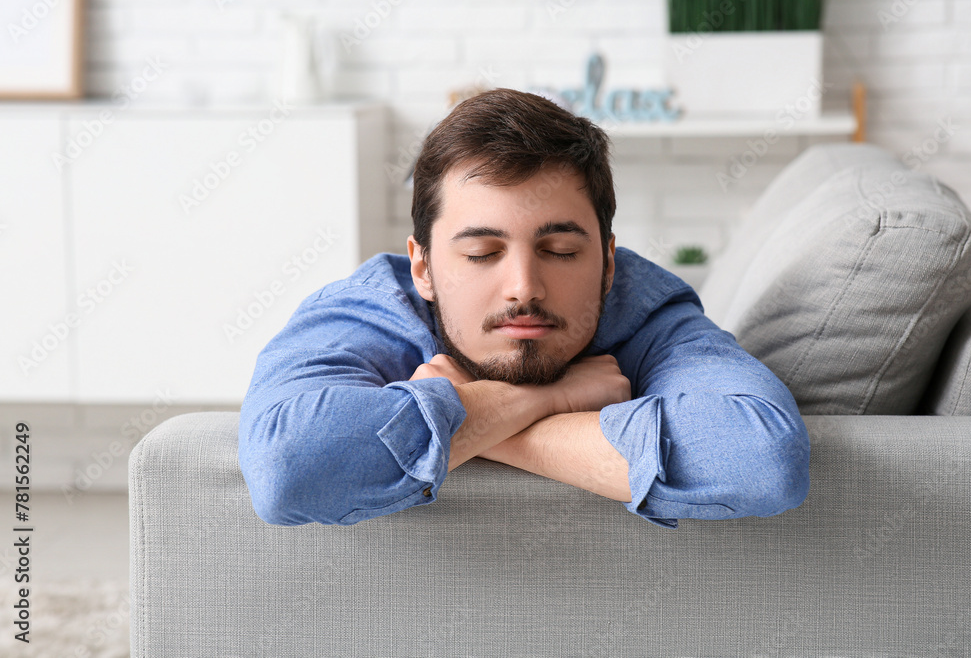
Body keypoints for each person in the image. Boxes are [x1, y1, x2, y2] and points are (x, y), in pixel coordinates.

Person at [238, 88, 809, 529]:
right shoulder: (368, 310)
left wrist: (475, 423)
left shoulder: (646, 311)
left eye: (560, 251)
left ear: (609, 264)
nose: (524, 288)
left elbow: (761, 457)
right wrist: (544, 398)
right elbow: (286, 467)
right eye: (482, 253)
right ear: (423, 268)